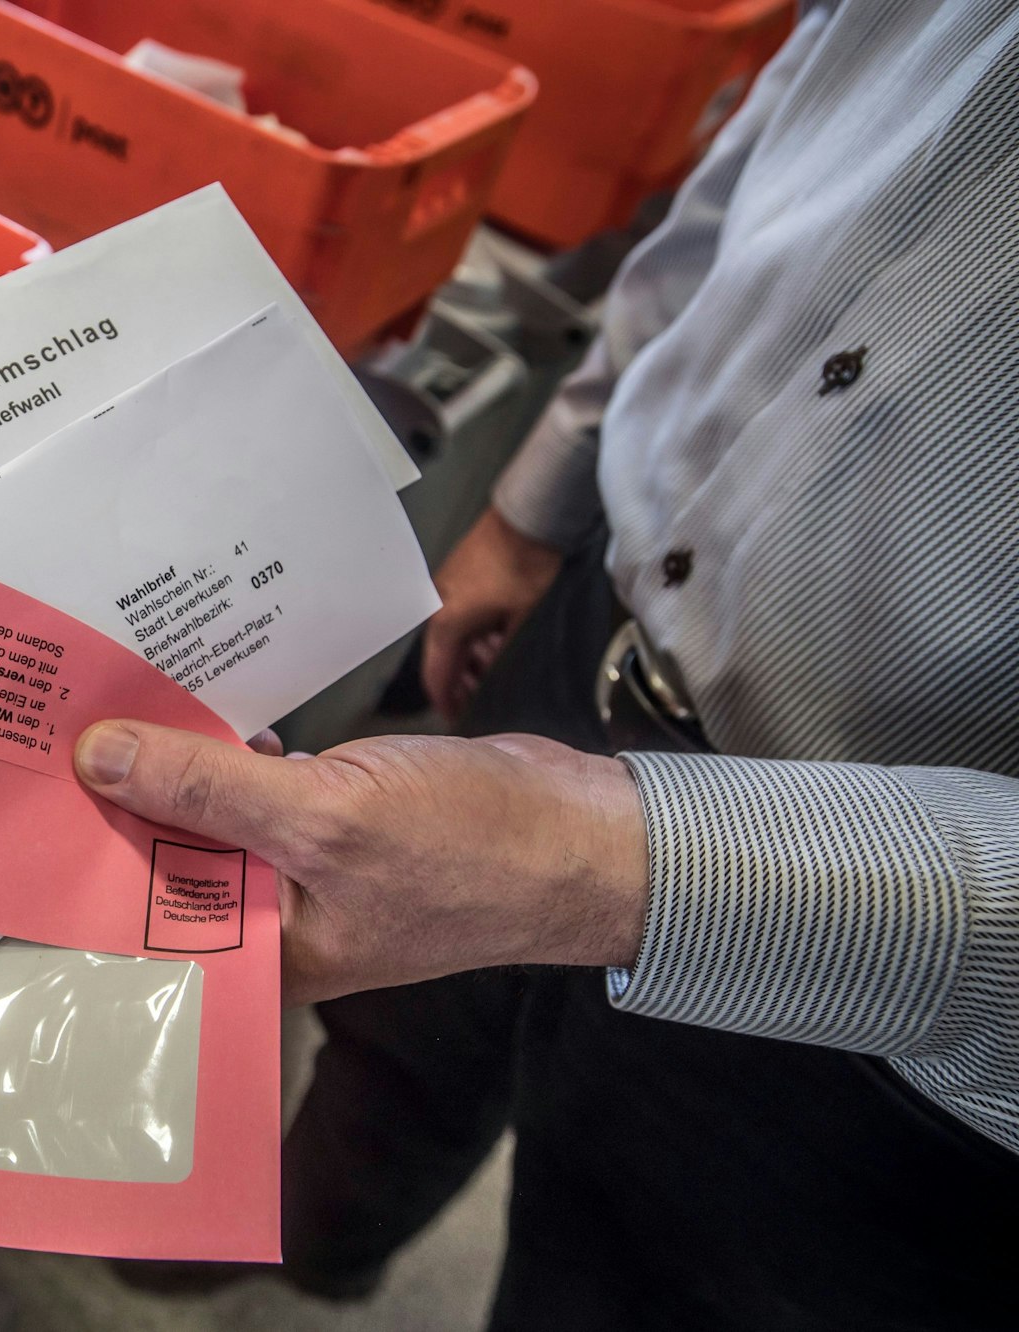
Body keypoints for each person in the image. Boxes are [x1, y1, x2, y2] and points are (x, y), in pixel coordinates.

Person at [84, 3, 1019, 1327]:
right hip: (597, 617)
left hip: (883, 962)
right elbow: (776, 138)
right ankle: (318, 1232)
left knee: (623, 1280)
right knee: (402, 1029)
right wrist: (538, 505)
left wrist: (594, 865)